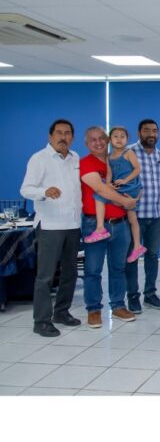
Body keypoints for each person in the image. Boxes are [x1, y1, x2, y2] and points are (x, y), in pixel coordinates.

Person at [20, 119, 83, 336]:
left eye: (67, 133)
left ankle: (62, 312)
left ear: (72, 137)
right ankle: (41, 321)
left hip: (73, 224)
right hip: (50, 225)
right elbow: (25, 189)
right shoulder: (39, 158)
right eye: (58, 133)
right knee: (46, 276)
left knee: (70, 273)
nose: (63, 137)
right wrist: (44, 192)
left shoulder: (76, 158)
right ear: (50, 136)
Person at [79, 126, 138, 328]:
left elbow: (133, 181)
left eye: (101, 138)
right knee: (93, 270)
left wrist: (134, 197)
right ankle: (93, 309)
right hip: (95, 225)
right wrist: (126, 201)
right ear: (87, 144)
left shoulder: (117, 160)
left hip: (120, 224)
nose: (98, 143)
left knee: (118, 268)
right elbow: (101, 189)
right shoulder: (86, 163)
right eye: (93, 140)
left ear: (108, 140)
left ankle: (118, 305)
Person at [84, 126, 147, 265]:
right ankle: (135, 245)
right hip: (119, 187)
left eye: (122, 136)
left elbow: (137, 169)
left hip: (130, 186)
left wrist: (125, 180)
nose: (119, 139)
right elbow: (109, 174)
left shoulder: (128, 152)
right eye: (115, 136)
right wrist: (108, 184)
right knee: (128, 214)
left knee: (102, 198)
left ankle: (135, 244)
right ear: (110, 140)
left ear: (127, 139)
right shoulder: (109, 157)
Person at [125, 118, 160, 313]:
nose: (151, 134)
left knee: (152, 255)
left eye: (154, 131)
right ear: (139, 133)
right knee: (132, 256)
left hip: (157, 214)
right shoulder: (129, 153)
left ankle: (150, 294)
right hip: (135, 216)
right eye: (147, 130)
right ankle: (133, 296)